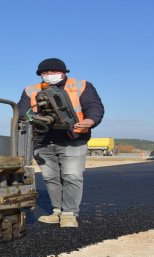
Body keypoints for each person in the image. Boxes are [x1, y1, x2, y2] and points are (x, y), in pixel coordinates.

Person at [18, 58, 104, 228]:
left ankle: (70, 213)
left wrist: (90, 121)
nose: (49, 75)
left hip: (73, 139)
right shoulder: (30, 90)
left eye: (53, 72)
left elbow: (95, 107)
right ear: (40, 74)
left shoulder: (81, 85)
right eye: (45, 72)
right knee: (50, 178)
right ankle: (57, 211)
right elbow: (22, 111)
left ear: (64, 72)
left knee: (72, 176)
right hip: (42, 141)